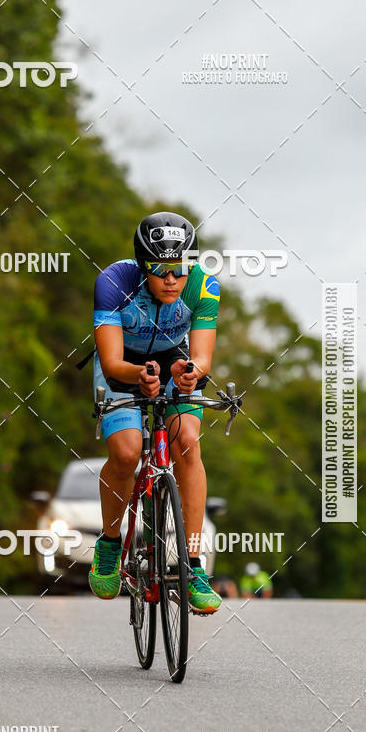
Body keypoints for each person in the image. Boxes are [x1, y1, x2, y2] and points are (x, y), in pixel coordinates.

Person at [87, 211, 222, 614]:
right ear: (143, 266)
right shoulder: (114, 282)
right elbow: (111, 363)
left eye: (179, 269)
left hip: (176, 360)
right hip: (123, 361)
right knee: (127, 453)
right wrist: (139, 377)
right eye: (160, 270)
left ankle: (193, 565)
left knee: (188, 443)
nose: (171, 280)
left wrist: (189, 375)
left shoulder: (204, 284)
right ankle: (111, 544)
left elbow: (201, 357)